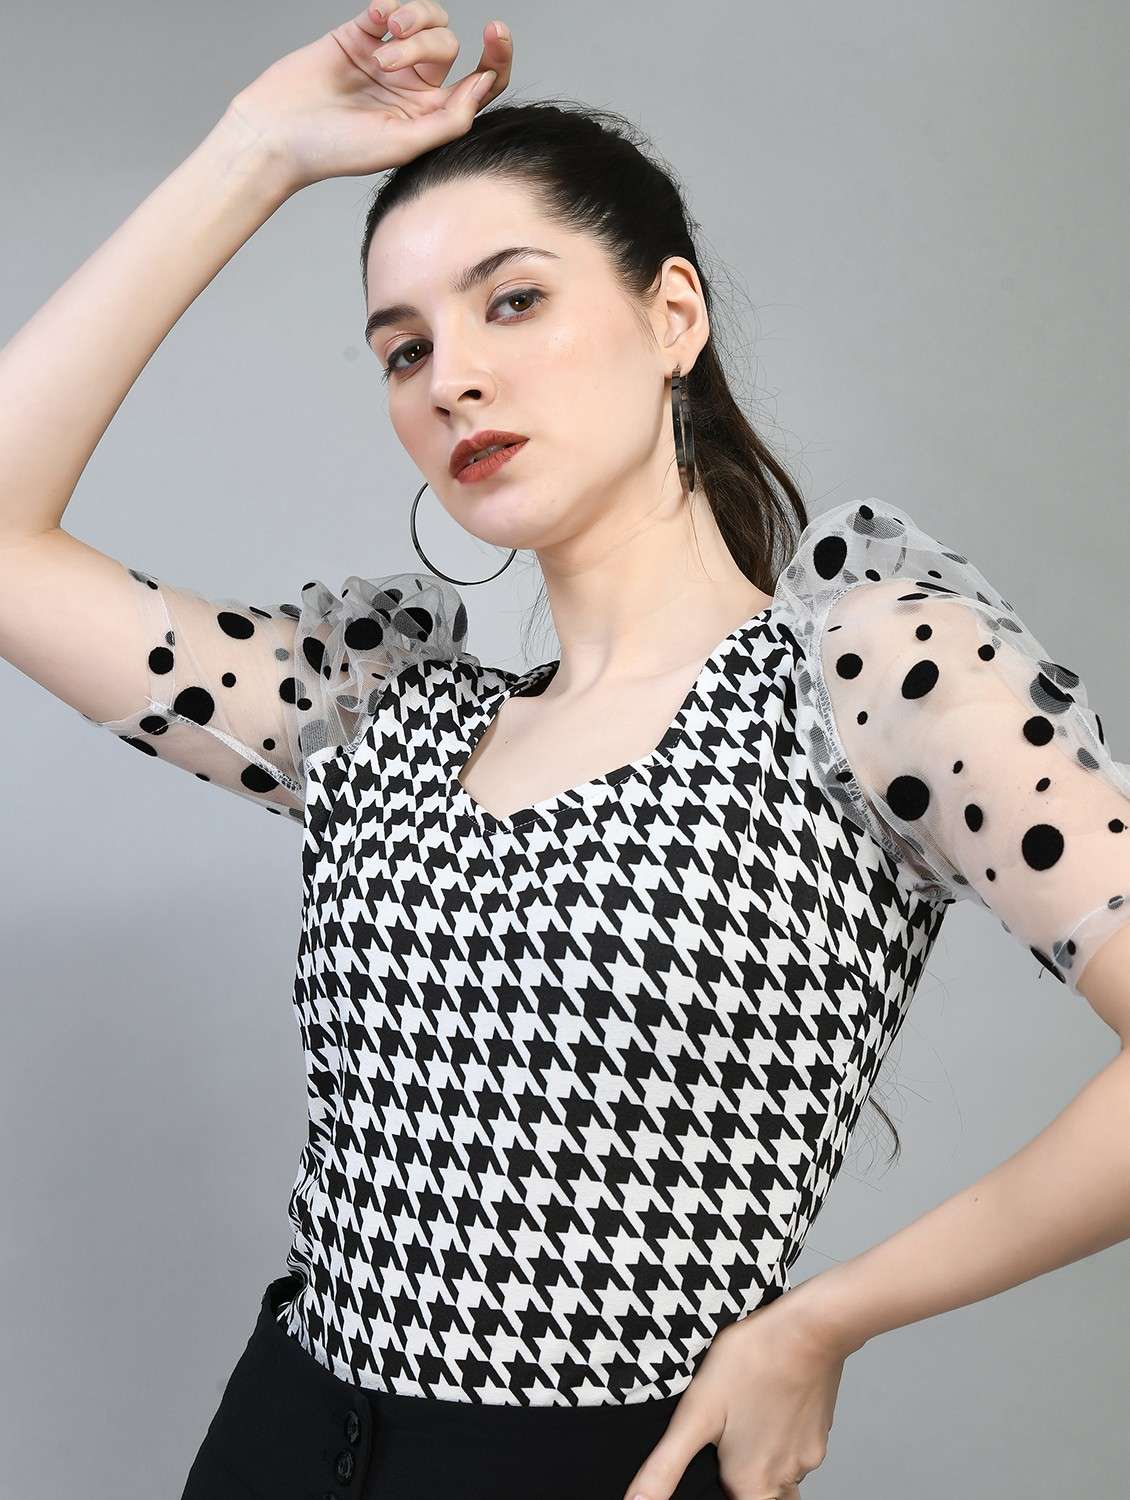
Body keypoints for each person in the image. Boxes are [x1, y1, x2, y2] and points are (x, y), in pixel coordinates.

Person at [2, 5, 1129, 1498]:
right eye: (405, 349)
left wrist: (824, 1323)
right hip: (282, 1435)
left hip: (594, 1463)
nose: (450, 378)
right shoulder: (381, 721)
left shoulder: (872, 680)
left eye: (513, 302)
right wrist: (254, 150)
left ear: (673, 317)